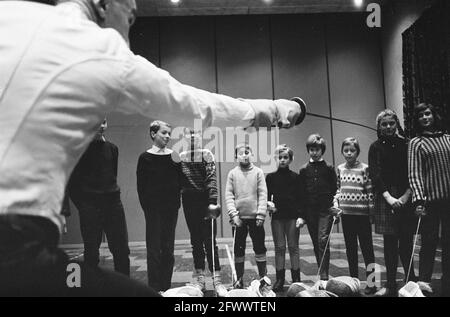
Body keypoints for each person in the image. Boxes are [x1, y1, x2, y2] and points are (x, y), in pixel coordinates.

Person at [0, 0, 305, 295]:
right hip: (19, 251)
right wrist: (276, 109)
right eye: (130, 18)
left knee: (77, 277)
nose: (128, 34)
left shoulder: (9, 12)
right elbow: (195, 105)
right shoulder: (100, 48)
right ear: (102, 4)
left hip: (31, 251)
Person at [68, 119, 130, 276]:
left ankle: (124, 290)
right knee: (91, 251)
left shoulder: (112, 148)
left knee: (121, 249)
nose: (102, 126)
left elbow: (112, 176)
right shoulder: (78, 150)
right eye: (97, 122)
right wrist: (84, 206)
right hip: (90, 206)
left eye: (104, 122)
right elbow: (72, 183)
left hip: (113, 204)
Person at [368, 109, 417, 297]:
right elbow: (375, 174)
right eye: (384, 124)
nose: (388, 127)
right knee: (389, 244)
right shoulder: (375, 147)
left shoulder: (407, 144)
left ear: (396, 124)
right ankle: (390, 284)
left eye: (391, 123)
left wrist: (405, 197)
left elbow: (412, 171)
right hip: (385, 196)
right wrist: (389, 197)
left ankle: (411, 281)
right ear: (379, 127)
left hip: (406, 196)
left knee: (406, 241)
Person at [408, 103, 450, 296]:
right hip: (429, 201)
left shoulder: (448, 138)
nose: (425, 117)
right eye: (420, 116)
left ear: (434, 115)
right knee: (429, 242)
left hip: (448, 200)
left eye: (428, 113)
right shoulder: (416, 143)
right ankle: (424, 282)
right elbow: (414, 173)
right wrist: (418, 201)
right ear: (417, 120)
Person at [179, 129, 227, 296]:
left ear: (200, 136)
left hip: (205, 201)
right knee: (196, 241)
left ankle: (217, 280)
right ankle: (200, 279)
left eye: (196, 133)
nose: (192, 136)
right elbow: (179, 180)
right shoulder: (182, 156)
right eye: (189, 134)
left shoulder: (207, 154)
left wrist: (212, 202)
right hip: (189, 201)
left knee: (209, 242)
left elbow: (212, 178)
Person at [136, 120, 181, 293]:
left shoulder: (174, 156)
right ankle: (154, 288)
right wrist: (148, 208)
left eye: (169, 133)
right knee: (154, 248)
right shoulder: (145, 157)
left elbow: (179, 183)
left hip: (171, 209)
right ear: (153, 134)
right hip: (153, 210)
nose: (168, 136)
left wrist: (176, 204)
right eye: (164, 133)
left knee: (168, 249)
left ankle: (166, 287)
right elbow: (141, 187)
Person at [335, 137, 376, 295]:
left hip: (363, 216)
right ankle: (353, 282)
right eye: (346, 150)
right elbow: (338, 190)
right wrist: (337, 206)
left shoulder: (365, 168)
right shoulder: (340, 168)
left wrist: (371, 213)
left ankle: (372, 283)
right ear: (342, 152)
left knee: (368, 250)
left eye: (352, 150)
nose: (349, 153)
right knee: (350, 249)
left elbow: (370, 192)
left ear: (358, 152)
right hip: (347, 216)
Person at [225, 143, 268, 289]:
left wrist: (261, 214)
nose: (244, 155)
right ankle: (239, 280)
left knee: (260, 247)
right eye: (241, 153)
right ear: (236, 156)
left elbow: (263, 194)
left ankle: (263, 280)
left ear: (252, 154)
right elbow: (229, 195)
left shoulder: (258, 172)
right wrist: (234, 215)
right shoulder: (232, 174)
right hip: (239, 220)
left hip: (256, 219)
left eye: (247, 152)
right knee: (238, 250)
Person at [298, 134, 338, 281]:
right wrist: (302, 215)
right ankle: (321, 269)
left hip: (325, 210)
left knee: (323, 239)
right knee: (316, 242)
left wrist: (335, 207)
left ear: (322, 150)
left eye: (317, 149)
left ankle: (324, 274)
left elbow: (335, 189)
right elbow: (301, 194)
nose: (314, 152)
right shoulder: (303, 170)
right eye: (312, 149)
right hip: (310, 212)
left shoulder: (328, 168)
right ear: (308, 150)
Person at [266, 145, 305, 292]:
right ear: (276, 159)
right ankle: (280, 279)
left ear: (291, 159)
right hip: (277, 217)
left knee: (294, 247)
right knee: (280, 248)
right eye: (280, 157)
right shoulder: (270, 177)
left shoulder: (296, 177)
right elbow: (266, 196)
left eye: (285, 157)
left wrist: (301, 216)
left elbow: (301, 198)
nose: (282, 160)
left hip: (293, 217)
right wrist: (268, 205)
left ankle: (296, 279)